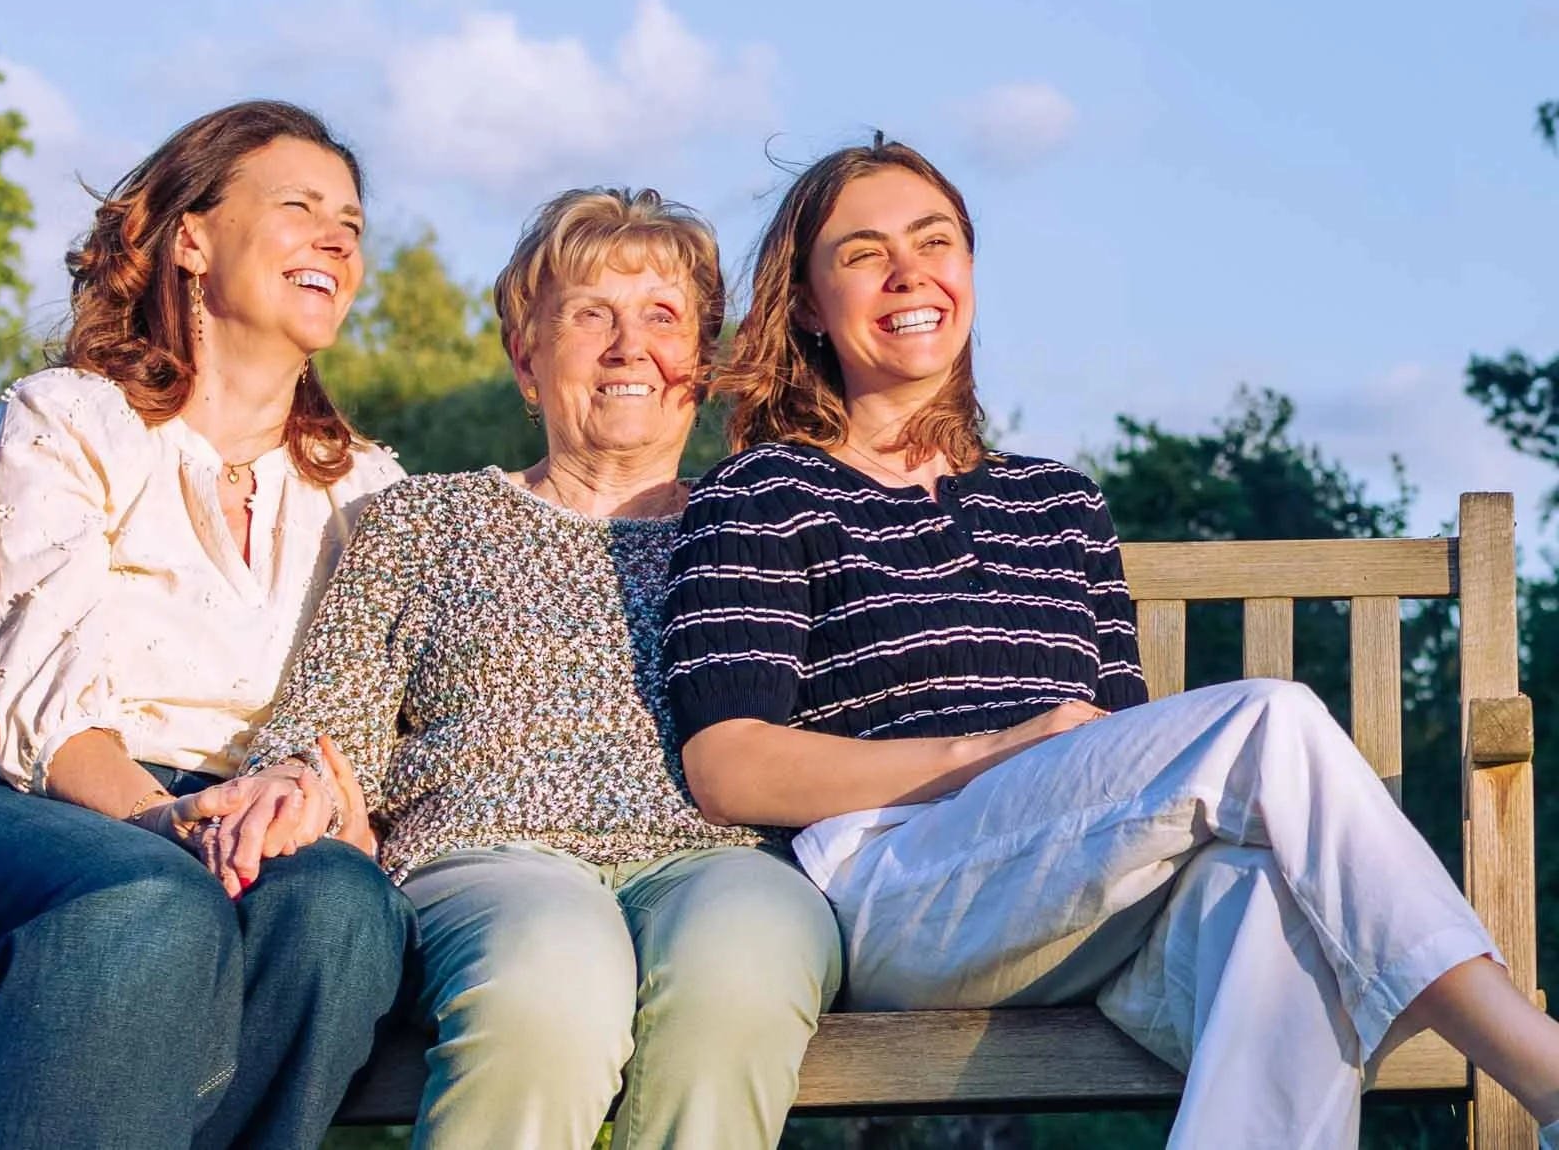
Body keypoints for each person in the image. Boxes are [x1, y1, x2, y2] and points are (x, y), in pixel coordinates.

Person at [662, 136, 1559, 1149]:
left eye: (935, 239)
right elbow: (726, 765)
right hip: (899, 887)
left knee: (1272, 910)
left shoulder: (1058, 499)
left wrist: (1062, 760)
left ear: (967, 272)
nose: (908, 270)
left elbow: (1135, 765)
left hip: (1086, 895)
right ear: (808, 303)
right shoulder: (763, 491)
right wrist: (987, 753)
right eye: (863, 252)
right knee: (1269, 714)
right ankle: (1540, 1065)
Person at [0, 101, 414, 1150]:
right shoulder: (64, 420)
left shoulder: (369, 492)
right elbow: (42, 710)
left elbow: (377, 724)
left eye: (351, 222)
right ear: (190, 238)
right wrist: (169, 825)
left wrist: (317, 805)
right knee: (152, 900)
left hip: (238, 838)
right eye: (299, 206)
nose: (338, 237)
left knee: (338, 906)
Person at [214, 187, 843, 1150]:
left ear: (701, 366)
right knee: (552, 979)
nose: (629, 346)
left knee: (746, 970)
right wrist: (303, 784)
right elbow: (322, 721)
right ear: (526, 361)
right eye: (590, 315)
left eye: (662, 318)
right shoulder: (425, 521)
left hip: (724, 858)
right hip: (491, 858)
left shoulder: (759, 527)